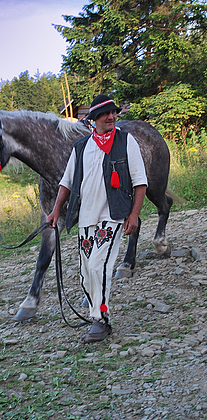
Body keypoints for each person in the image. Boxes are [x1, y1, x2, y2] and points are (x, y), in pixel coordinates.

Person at [47, 94, 148, 343]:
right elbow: (67, 183)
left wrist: (134, 214)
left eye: (114, 112)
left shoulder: (126, 141)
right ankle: (97, 315)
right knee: (85, 272)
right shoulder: (81, 147)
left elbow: (140, 181)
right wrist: (56, 210)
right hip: (86, 219)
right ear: (94, 119)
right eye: (106, 114)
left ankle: (100, 320)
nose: (112, 117)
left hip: (113, 215)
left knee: (98, 266)